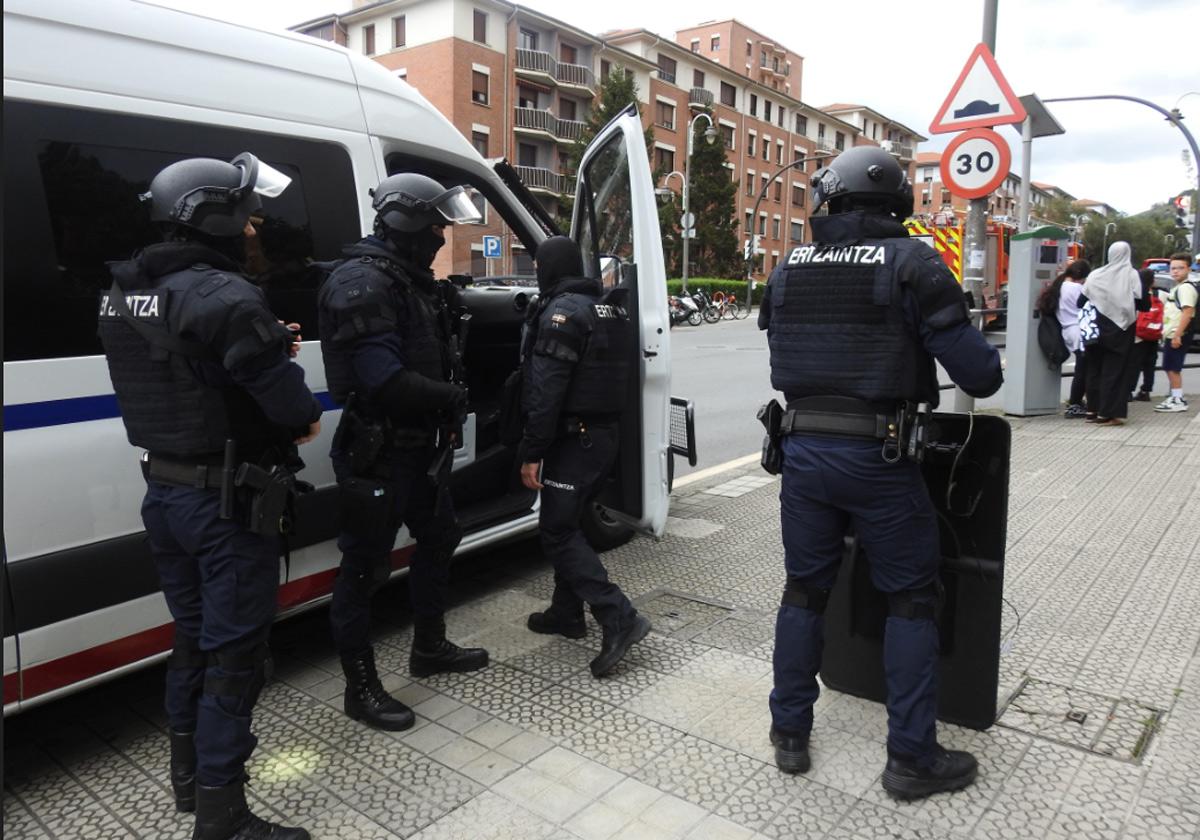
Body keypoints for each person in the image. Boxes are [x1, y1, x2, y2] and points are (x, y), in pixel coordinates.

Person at [757, 146, 1002, 799]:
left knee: (804, 592)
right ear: (898, 202)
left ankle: (788, 734)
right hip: (880, 459)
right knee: (912, 598)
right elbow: (981, 373)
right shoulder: (914, 262)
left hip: (802, 456)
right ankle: (911, 760)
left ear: (828, 200)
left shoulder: (788, 267)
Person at [99, 153, 320, 840]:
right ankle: (223, 815)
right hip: (227, 507)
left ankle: (188, 781)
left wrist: (259, 345)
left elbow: (183, 365)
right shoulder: (227, 297)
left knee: (191, 642)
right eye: (247, 214)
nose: (255, 227)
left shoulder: (121, 292)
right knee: (235, 657)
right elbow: (294, 415)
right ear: (215, 216)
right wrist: (278, 364)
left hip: (165, 495)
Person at [317, 172, 488, 731]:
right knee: (363, 572)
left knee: (441, 536)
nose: (442, 235)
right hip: (380, 452)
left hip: (419, 450)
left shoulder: (408, 280)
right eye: (436, 224)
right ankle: (360, 688)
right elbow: (382, 381)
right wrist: (455, 396)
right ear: (407, 223)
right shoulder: (363, 284)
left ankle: (429, 647)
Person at [518, 236, 652, 677]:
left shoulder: (560, 315)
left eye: (538, 266)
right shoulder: (607, 307)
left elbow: (546, 391)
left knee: (556, 531)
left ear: (549, 269)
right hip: (603, 438)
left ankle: (619, 616)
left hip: (575, 440)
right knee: (570, 521)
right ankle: (565, 613)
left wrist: (531, 452)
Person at [1081, 242, 1144, 425]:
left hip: (1095, 329)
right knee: (1115, 372)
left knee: (1094, 370)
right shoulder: (1132, 275)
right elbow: (1142, 303)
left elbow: (1080, 301)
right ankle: (1108, 413)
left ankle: (1092, 410)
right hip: (1121, 329)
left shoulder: (1095, 275)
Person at [1040, 260, 1091, 417]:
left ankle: (1075, 402)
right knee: (1083, 369)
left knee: (1081, 369)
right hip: (1079, 330)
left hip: (1067, 330)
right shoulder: (1077, 288)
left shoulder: (1059, 286)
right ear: (1081, 275)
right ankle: (1075, 403)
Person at [1154, 253, 1197, 412]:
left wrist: (1178, 334)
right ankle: (1175, 397)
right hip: (1173, 333)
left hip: (1178, 334)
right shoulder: (1179, 287)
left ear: (1189, 268)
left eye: (1180, 268)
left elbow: (1187, 311)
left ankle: (1178, 399)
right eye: (1173, 268)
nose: (1175, 271)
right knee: (1170, 366)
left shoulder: (1185, 288)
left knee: (1172, 367)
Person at [1126, 268, 1163, 402]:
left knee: (1134, 364)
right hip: (1154, 334)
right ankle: (1146, 390)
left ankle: (1128, 391)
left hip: (1139, 335)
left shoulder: (1135, 293)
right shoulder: (1159, 295)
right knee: (1150, 364)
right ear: (1152, 281)